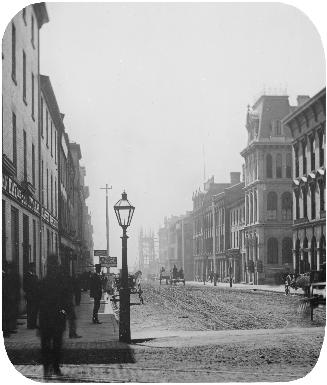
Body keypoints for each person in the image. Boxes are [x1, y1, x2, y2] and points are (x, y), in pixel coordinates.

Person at [38, 254, 71, 377]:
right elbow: (67, 302)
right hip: (57, 318)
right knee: (56, 345)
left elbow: (38, 303)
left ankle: (47, 369)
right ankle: (55, 368)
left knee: (46, 345)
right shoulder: (61, 282)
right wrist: (69, 317)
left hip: (46, 319)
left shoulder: (43, 282)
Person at [23, 262, 39, 329]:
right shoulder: (26, 276)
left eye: (34, 267)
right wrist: (29, 292)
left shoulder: (35, 276)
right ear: (30, 267)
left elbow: (37, 285)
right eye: (33, 267)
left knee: (35, 310)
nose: (34, 268)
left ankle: (34, 324)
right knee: (30, 310)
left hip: (35, 296)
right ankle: (30, 324)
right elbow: (25, 286)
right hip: (30, 295)